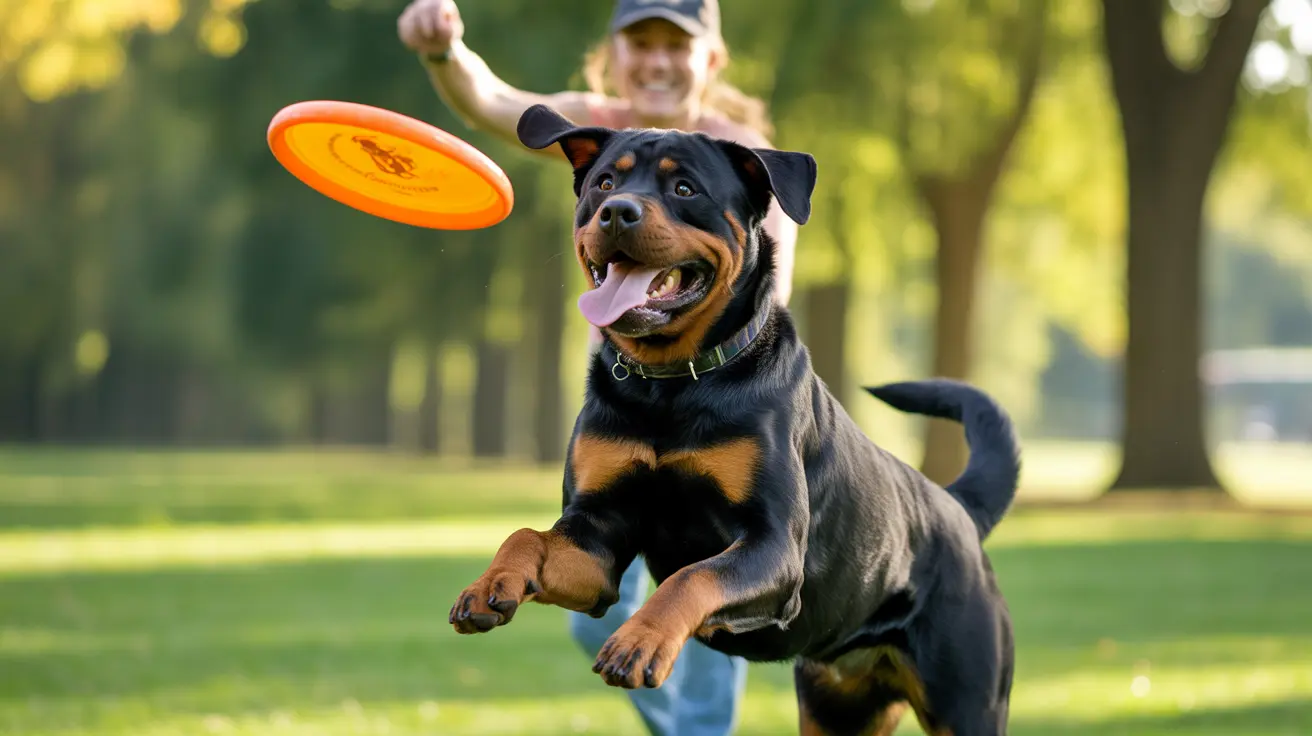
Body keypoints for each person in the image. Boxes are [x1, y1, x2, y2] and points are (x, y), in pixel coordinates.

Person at [398, 1, 799, 734]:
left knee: (694, 612)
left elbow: (762, 296)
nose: (656, 60)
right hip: (625, 410)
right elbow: (493, 104)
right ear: (610, 56)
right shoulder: (601, 130)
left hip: (719, 415)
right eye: (638, 42)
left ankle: (696, 725)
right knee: (596, 620)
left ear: (711, 60)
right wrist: (442, 53)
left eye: (676, 46)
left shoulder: (739, 153)